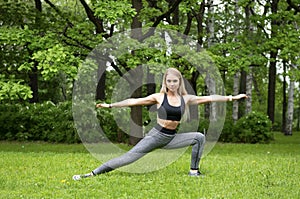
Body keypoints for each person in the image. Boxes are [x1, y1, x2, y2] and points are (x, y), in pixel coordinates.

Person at [72, 67, 247, 180]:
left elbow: (209, 98)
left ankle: (194, 172)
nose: (172, 84)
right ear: (165, 82)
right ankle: (92, 173)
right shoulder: (158, 97)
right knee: (128, 159)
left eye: (175, 81)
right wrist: (111, 105)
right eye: (169, 81)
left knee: (199, 137)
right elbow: (134, 101)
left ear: (179, 82)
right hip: (156, 136)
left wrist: (233, 97)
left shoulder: (186, 98)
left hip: (171, 138)